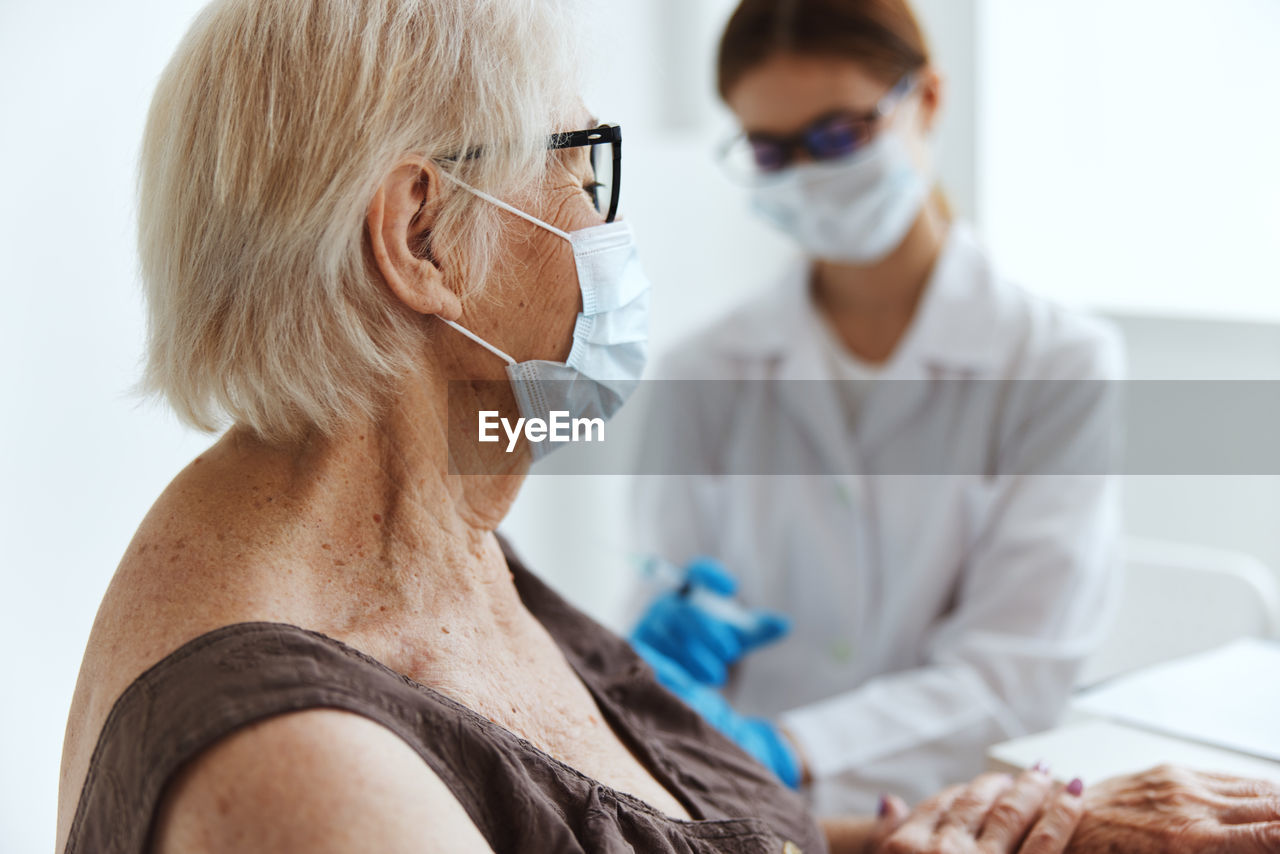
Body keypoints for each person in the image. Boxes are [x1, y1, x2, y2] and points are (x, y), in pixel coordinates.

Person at [54, 1, 1280, 853]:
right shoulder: (306, 771)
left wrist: (1005, 826)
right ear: (422, 235)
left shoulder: (448, 537)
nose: (602, 224)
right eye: (581, 167)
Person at [629, 0, 1123, 815]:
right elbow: (658, 618)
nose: (808, 174)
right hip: (735, 812)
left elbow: (1016, 673)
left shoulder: (1058, 363)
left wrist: (787, 748)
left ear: (927, 100)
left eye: (838, 135)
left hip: (960, 815)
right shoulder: (701, 371)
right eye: (771, 149)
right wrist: (648, 670)